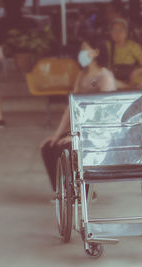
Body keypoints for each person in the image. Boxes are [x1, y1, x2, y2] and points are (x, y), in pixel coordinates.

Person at [41, 35, 116, 191]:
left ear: (96, 52)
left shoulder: (105, 77)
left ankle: (82, 192)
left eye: (84, 49)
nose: (80, 53)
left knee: (67, 148)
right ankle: (61, 192)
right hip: (79, 130)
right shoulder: (82, 75)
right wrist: (58, 134)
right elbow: (71, 106)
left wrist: (78, 135)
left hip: (98, 131)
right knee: (49, 147)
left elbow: (101, 113)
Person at [107, 18, 142, 93]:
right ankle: (129, 88)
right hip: (116, 80)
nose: (117, 33)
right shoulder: (108, 46)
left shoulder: (133, 46)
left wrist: (137, 71)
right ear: (110, 33)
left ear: (126, 32)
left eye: (120, 30)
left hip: (133, 78)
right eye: (114, 30)